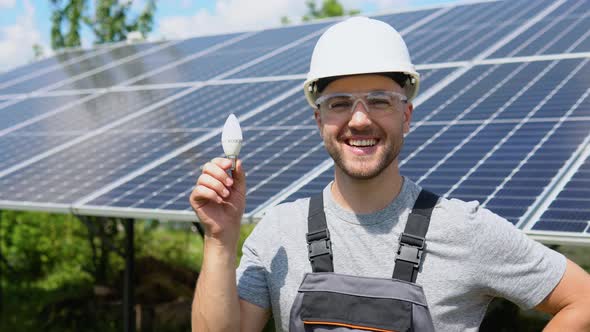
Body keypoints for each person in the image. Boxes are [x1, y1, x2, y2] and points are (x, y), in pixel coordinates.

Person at [189, 17, 590, 332]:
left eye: (380, 101)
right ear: (319, 119)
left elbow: (583, 302)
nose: (359, 119)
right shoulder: (278, 232)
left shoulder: (464, 229)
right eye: (340, 103)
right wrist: (220, 241)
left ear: (406, 115)